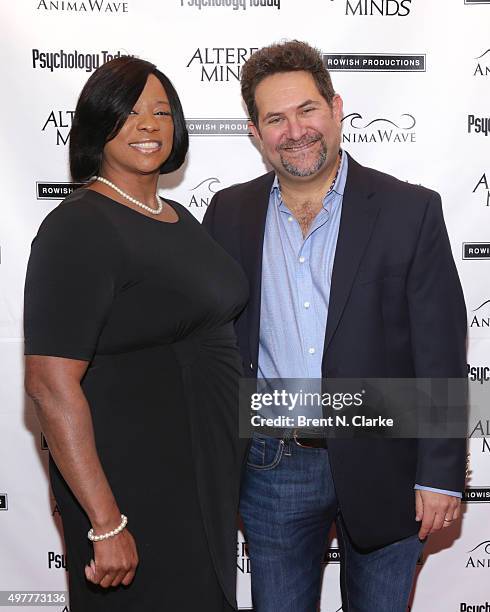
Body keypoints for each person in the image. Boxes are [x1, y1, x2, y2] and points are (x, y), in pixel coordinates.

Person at [203, 41, 467, 611]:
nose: (295, 130)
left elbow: (441, 350)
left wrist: (441, 474)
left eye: (307, 110)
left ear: (336, 107)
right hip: (272, 464)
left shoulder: (409, 210)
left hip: (386, 459)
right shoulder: (227, 214)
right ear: (255, 131)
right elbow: (212, 345)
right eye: (275, 118)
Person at [24, 56, 248, 612]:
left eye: (161, 111)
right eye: (129, 112)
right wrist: (104, 521)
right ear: (98, 126)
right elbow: (51, 385)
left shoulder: (177, 216)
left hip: (200, 483)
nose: (148, 124)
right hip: (132, 492)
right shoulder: (77, 226)